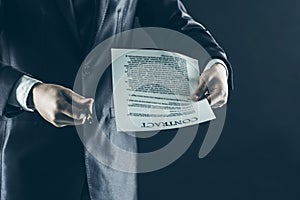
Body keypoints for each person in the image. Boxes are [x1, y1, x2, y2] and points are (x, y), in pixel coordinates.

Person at [0, 0, 233, 199]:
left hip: (112, 173)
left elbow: (174, 19)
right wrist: (30, 92)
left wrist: (213, 62)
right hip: (29, 167)